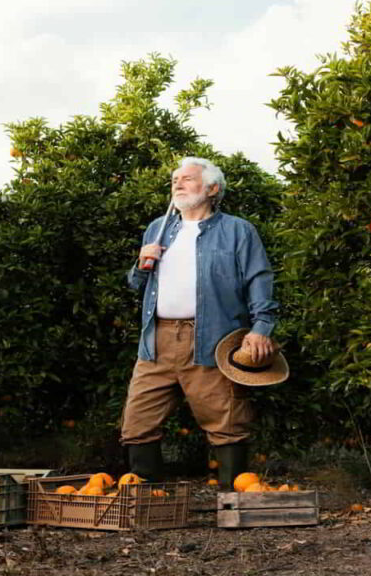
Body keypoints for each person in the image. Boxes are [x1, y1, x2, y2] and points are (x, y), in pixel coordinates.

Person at [121, 156, 278, 488]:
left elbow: (259, 279)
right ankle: (145, 502)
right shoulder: (157, 228)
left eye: (187, 178)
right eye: (175, 179)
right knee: (138, 420)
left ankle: (233, 496)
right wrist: (141, 265)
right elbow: (136, 285)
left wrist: (261, 327)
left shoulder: (238, 230)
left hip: (211, 338)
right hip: (156, 341)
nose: (177, 183)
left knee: (227, 420)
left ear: (212, 188)